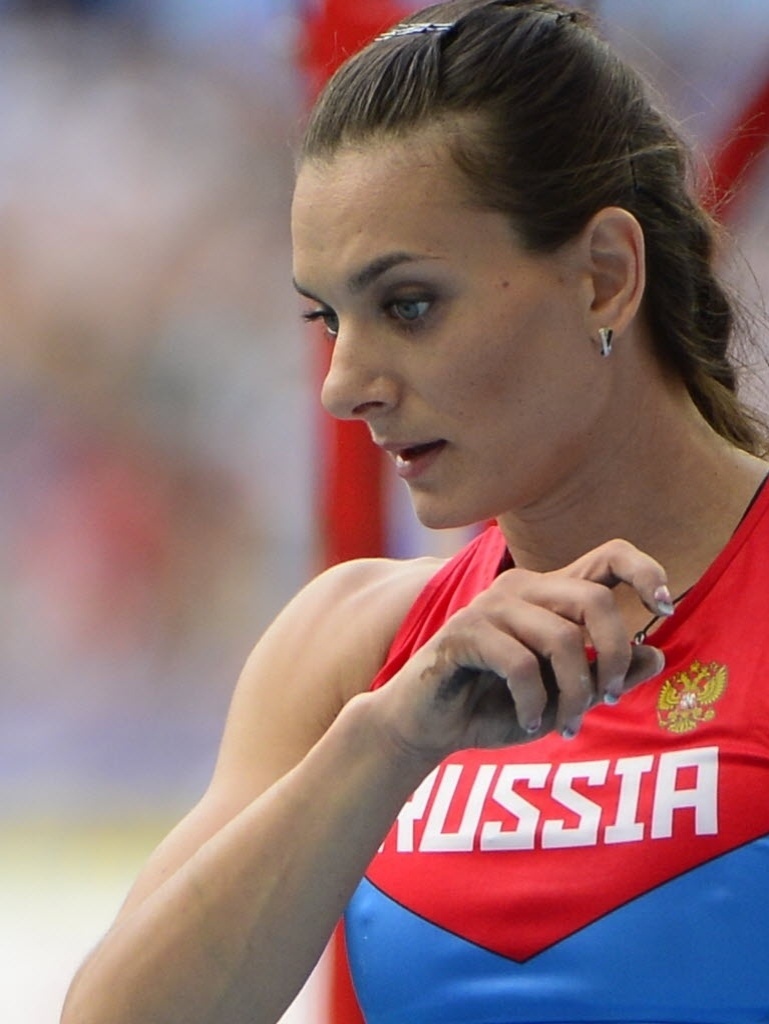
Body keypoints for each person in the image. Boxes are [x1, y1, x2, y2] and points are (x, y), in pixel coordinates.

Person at [61, 2, 769, 1022]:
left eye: (407, 305)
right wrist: (385, 742)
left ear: (604, 278)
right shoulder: (351, 647)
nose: (342, 385)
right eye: (326, 316)